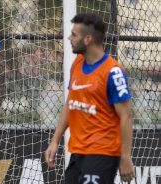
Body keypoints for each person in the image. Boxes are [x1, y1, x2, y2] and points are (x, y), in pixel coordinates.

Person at [44, 13, 134, 183]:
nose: (69, 38)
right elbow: (70, 103)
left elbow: (126, 116)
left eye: (74, 34)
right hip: (77, 152)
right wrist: (55, 140)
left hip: (102, 153)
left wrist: (125, 157)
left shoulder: (113, 73)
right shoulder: (78, 63)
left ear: (88, 39)